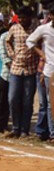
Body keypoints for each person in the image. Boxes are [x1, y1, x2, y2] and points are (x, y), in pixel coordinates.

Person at [5, 7, 38, 138]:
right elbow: (7, 41)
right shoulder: (14, 28)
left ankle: (25, 129)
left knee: (27, 101)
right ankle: (15, 127)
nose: (22, 20)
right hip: (16, 68)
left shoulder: (36, 29)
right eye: (20, 17)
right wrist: (12, 55)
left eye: (24, 17)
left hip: (31, 69)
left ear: (30, 17)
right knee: (13, 98)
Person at [27, 8, 54, 143]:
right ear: (51, 16)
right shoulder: (44, 29)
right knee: (50, 103)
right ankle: (52, 133)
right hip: (49, 70)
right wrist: (42, 54)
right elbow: (30, 41)